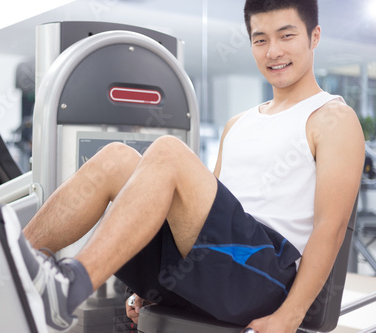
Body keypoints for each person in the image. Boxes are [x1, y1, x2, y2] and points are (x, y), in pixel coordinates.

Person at [20, 0, 365, 332]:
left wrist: (289, 317)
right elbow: (202, 214)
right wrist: (156, 285)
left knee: (169, 152)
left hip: (266, 275)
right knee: (117, 158)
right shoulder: (238, 124)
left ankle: (66, 289)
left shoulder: (333, 118)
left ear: (314, 36)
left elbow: (329, 228)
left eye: (286, 36)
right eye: (261, 39)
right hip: (215, 267)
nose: (273, 51)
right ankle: (14, 264)